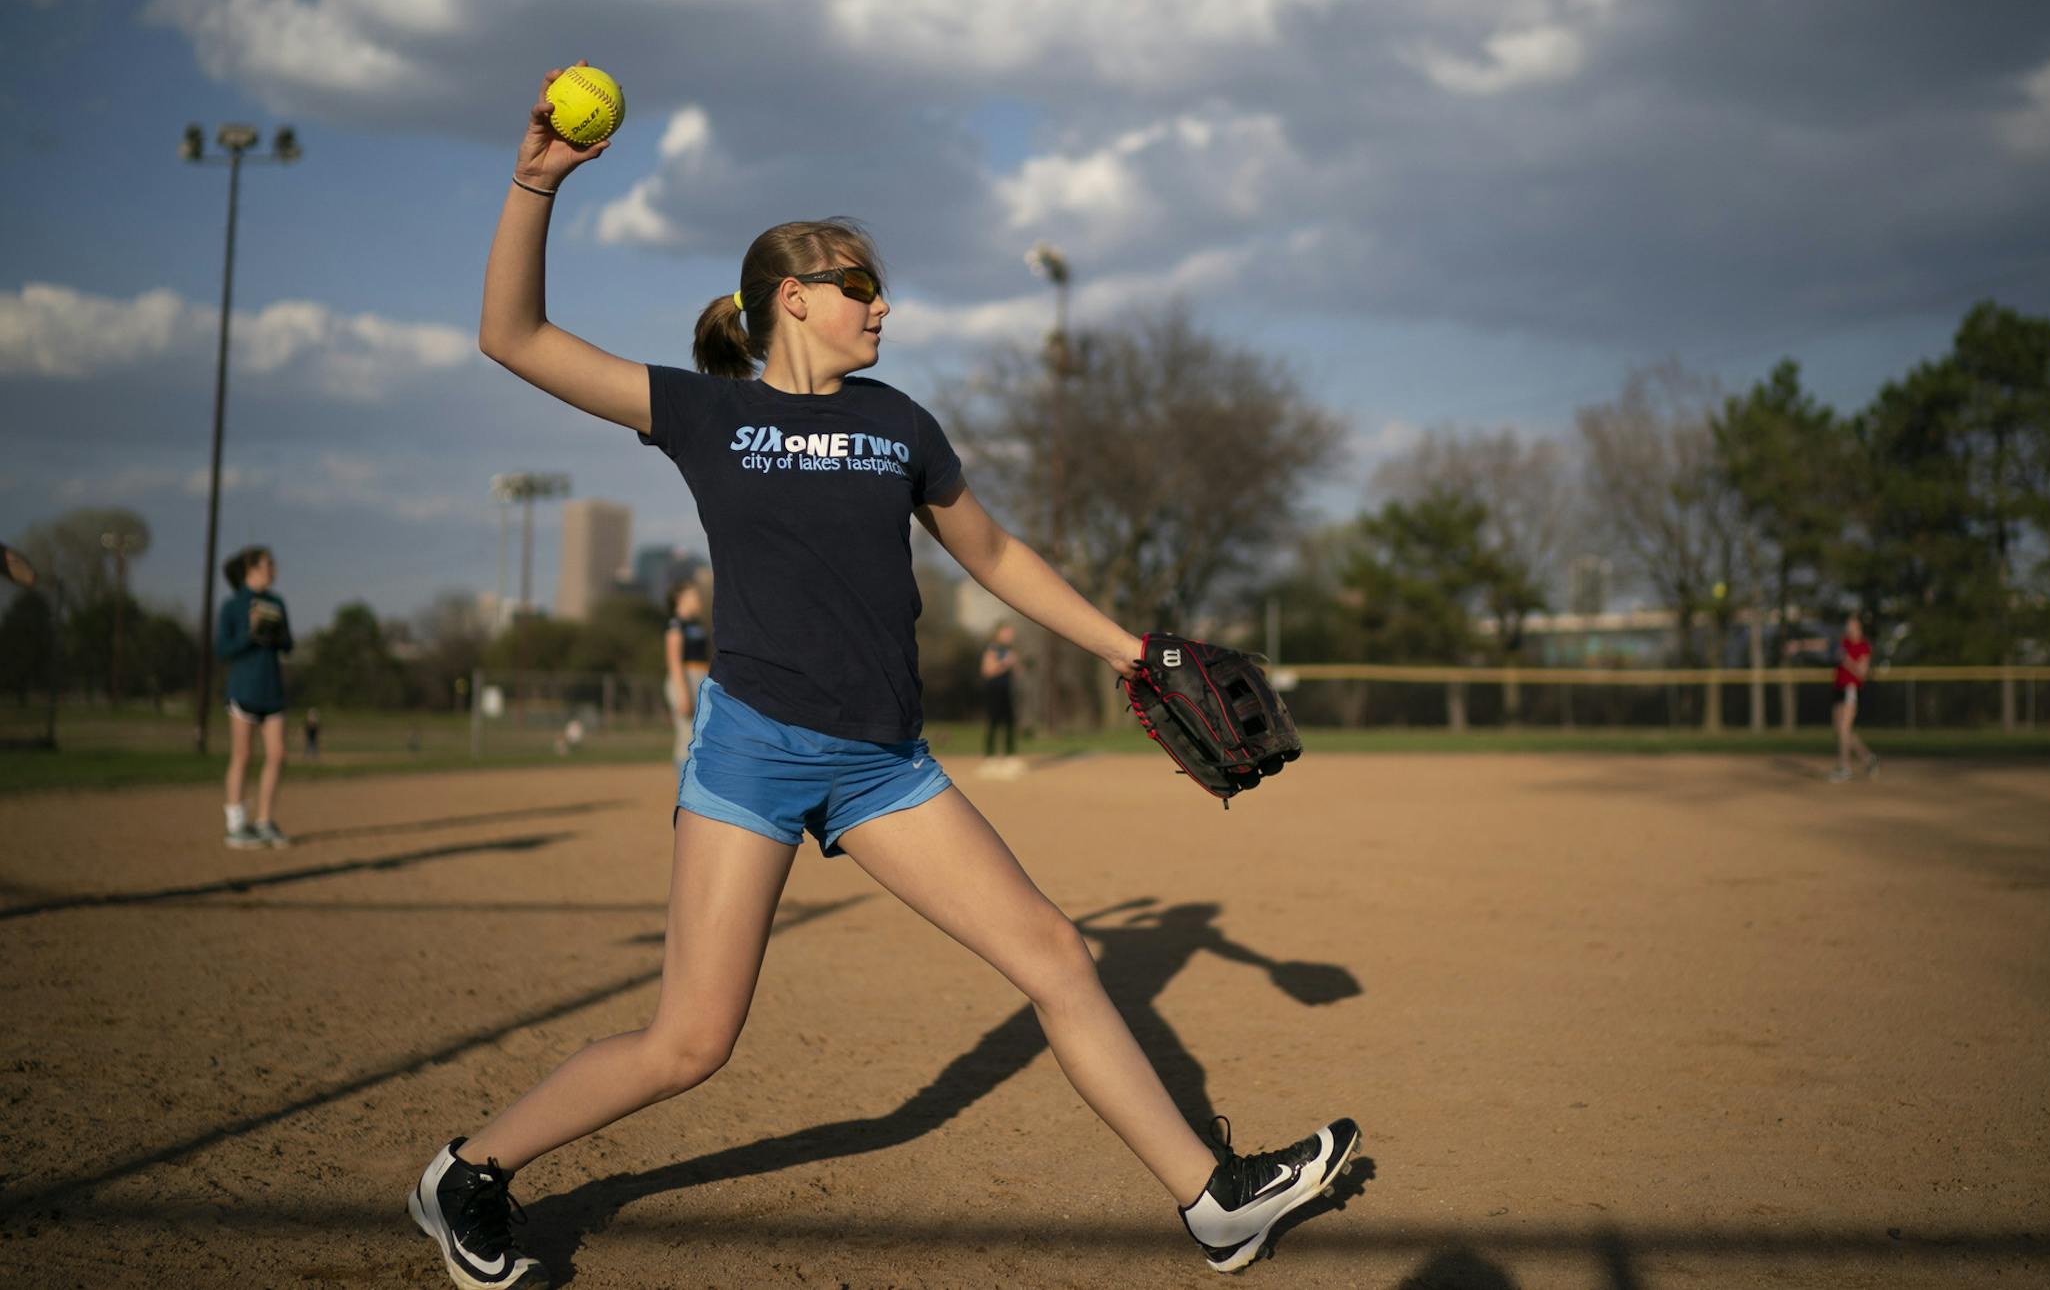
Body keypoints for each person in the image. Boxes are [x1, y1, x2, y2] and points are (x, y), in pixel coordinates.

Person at [405, 66, 1358, 1289]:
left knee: (1059, 957)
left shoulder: (899, 421)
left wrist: (1133, 646)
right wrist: (534, 185)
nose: (882, 308)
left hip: (884, 762)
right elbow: (512, 337)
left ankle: (1213, 1201)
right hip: (753, 749)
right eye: (860, 287)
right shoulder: (703, 413)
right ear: (792, 298)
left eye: (882, 289)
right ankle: (469, 1171)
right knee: (692, 1041)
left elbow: (997, 550)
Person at [215, 546, 294, 848]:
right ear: (251, 568)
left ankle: (263, 822)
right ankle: (236, 825)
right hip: (243, 689)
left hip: (271, 689)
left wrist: (275, 633)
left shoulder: (276, 602)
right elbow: (223, 649)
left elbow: (288, 644)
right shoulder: (234, 605)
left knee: (277, 755)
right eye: (268, 564)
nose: (274, 569)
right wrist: (249, 632)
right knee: (243, 754)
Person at [662, 578, 710, 761]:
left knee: (701, 734)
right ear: (679, 598)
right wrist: (682, 692)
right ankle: (684, 785)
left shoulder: (697, 624)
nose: (698, 599)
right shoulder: (675, 624)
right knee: (687, 735)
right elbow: (674, 660)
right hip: (684, 679)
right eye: (693, 595)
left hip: (700, 677)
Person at [1830, 612, 1879, 782]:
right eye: (1847, 626)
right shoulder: (1844, 642)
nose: (1848, 629)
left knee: (1844, 728)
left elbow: (1862, 673)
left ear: (1858, 627)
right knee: (1841, 730)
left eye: (1851, 626)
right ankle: (1867, 758)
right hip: (1838, 687)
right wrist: (1799, 645)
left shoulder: (1863, 646)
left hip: (1850, 689)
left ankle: (1845, 767)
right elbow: (1826, 646)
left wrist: (1847, 660)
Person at [979, 620, 1020, 758]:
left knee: (1010, 721)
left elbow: (1015, 672)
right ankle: (989, 754)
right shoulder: (992, 649)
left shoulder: (1010, 650)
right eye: (1007, 633)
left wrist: (1018, 667)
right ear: (998, 634)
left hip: (1007, 689)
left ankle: (1010, 754)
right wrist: (1004, 663)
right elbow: (987, 671)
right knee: (993, 721)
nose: (1010, 636)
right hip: (994, 689)